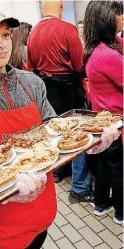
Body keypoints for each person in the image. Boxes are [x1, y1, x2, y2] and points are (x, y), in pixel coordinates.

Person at [0, 3, 120, 248]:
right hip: (7, 213)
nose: (2, 43)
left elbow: (54, 130)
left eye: (6, 35)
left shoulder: (31, 82)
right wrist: (10, 190)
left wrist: (90, 144)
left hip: (42, 199)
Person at [27, 0, 93, 204]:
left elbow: (30, 68)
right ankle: (80, 187)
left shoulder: (33, 33)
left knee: (54, 132)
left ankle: (59, 172)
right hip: (68, 89)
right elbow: (78, 64)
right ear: (61, 6)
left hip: (46, 90)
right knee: (76, 134)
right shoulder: (66, 29)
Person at [84, 0, 123, 224]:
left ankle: (101, 204)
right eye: (119, 14)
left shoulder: (98, 48)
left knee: (105, 166)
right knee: (118, 169)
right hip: (116, 122)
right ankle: (121, 212)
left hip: (103, 119)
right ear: (107, 19)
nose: (122, 18)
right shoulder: (107, 55)